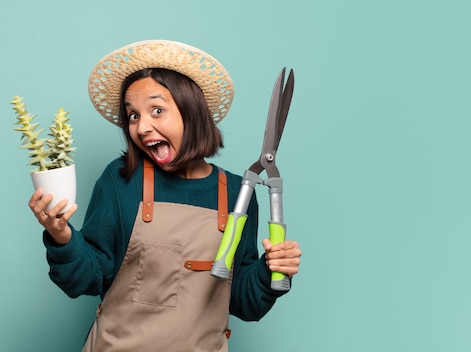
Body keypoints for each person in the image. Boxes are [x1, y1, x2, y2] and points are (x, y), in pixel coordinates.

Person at [28, 39, 302, 351]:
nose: (142, 127)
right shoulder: (121, 182)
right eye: (133, 116)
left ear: (192, 112)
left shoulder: (240, 195)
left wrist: (271, 268)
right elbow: (85, 279)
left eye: (157, 110)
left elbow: (242, 302)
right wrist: (61, 234)